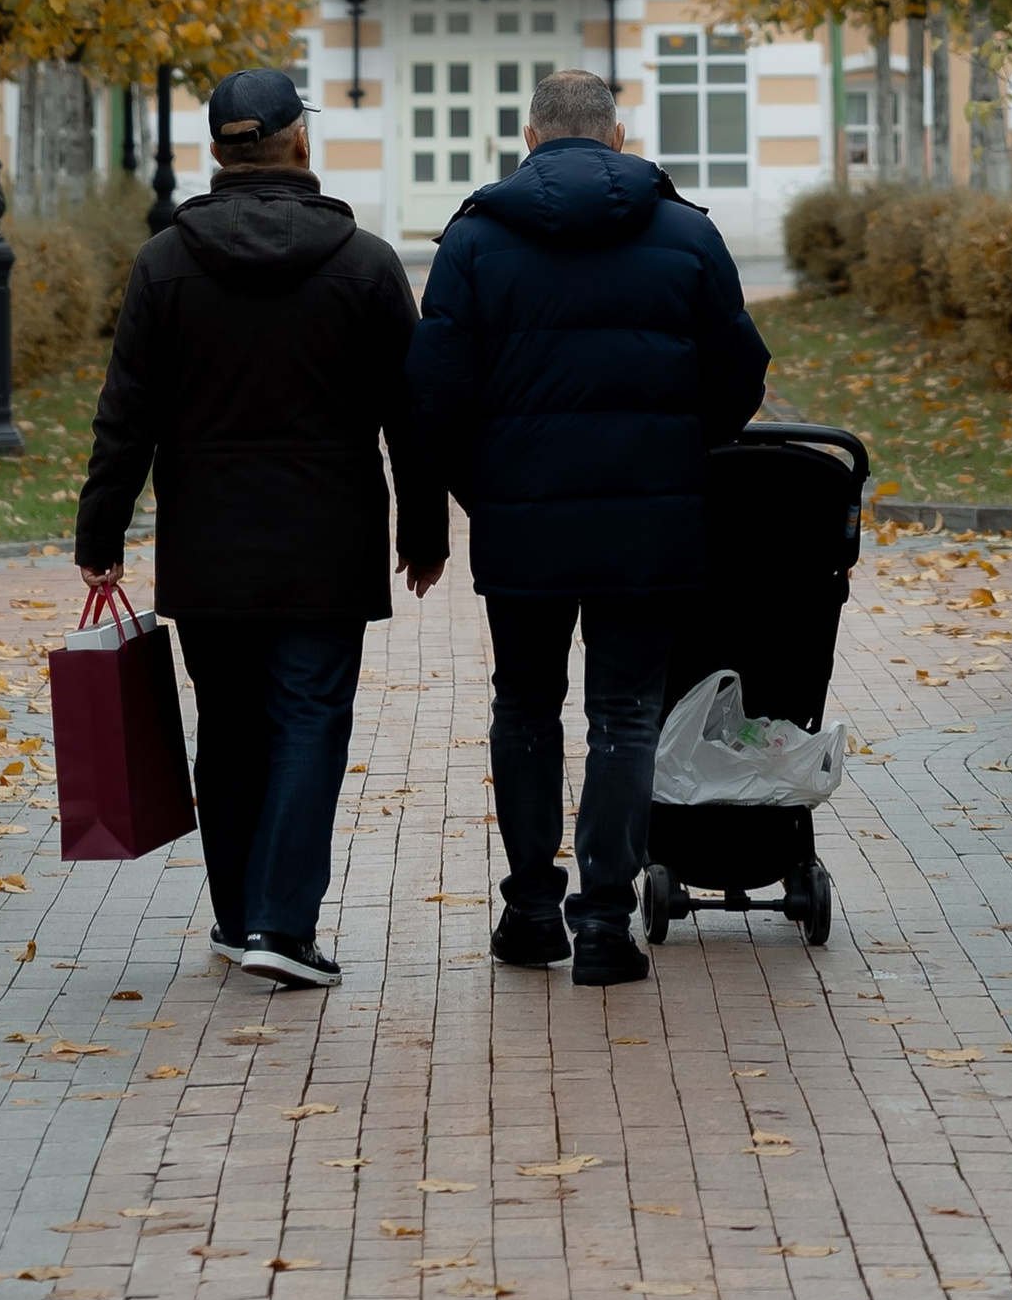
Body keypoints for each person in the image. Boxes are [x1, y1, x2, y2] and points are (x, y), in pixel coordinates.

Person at [73, 66, 448, 992]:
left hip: (208, 544)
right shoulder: (364, 264)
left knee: (229, 725)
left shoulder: (164, 264)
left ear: (218, 152)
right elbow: (413, 411)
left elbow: (126, 414)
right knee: (309, 720)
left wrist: (101, 531)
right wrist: (425, 526)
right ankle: (282, 924)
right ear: (298, 142)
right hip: (327, 542)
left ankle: (242, 917)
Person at [405, 63, 767, 986]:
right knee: (626, 714)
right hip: (649, 526)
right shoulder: (687, 235)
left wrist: (462, 505)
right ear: (615, 137)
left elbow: (434, 399)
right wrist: (679, 455)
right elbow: (739, 378)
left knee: (523, 706)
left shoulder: (475, 241)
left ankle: (530, 913)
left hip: (522, 526)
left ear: (529, 139)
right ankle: (605, 924)